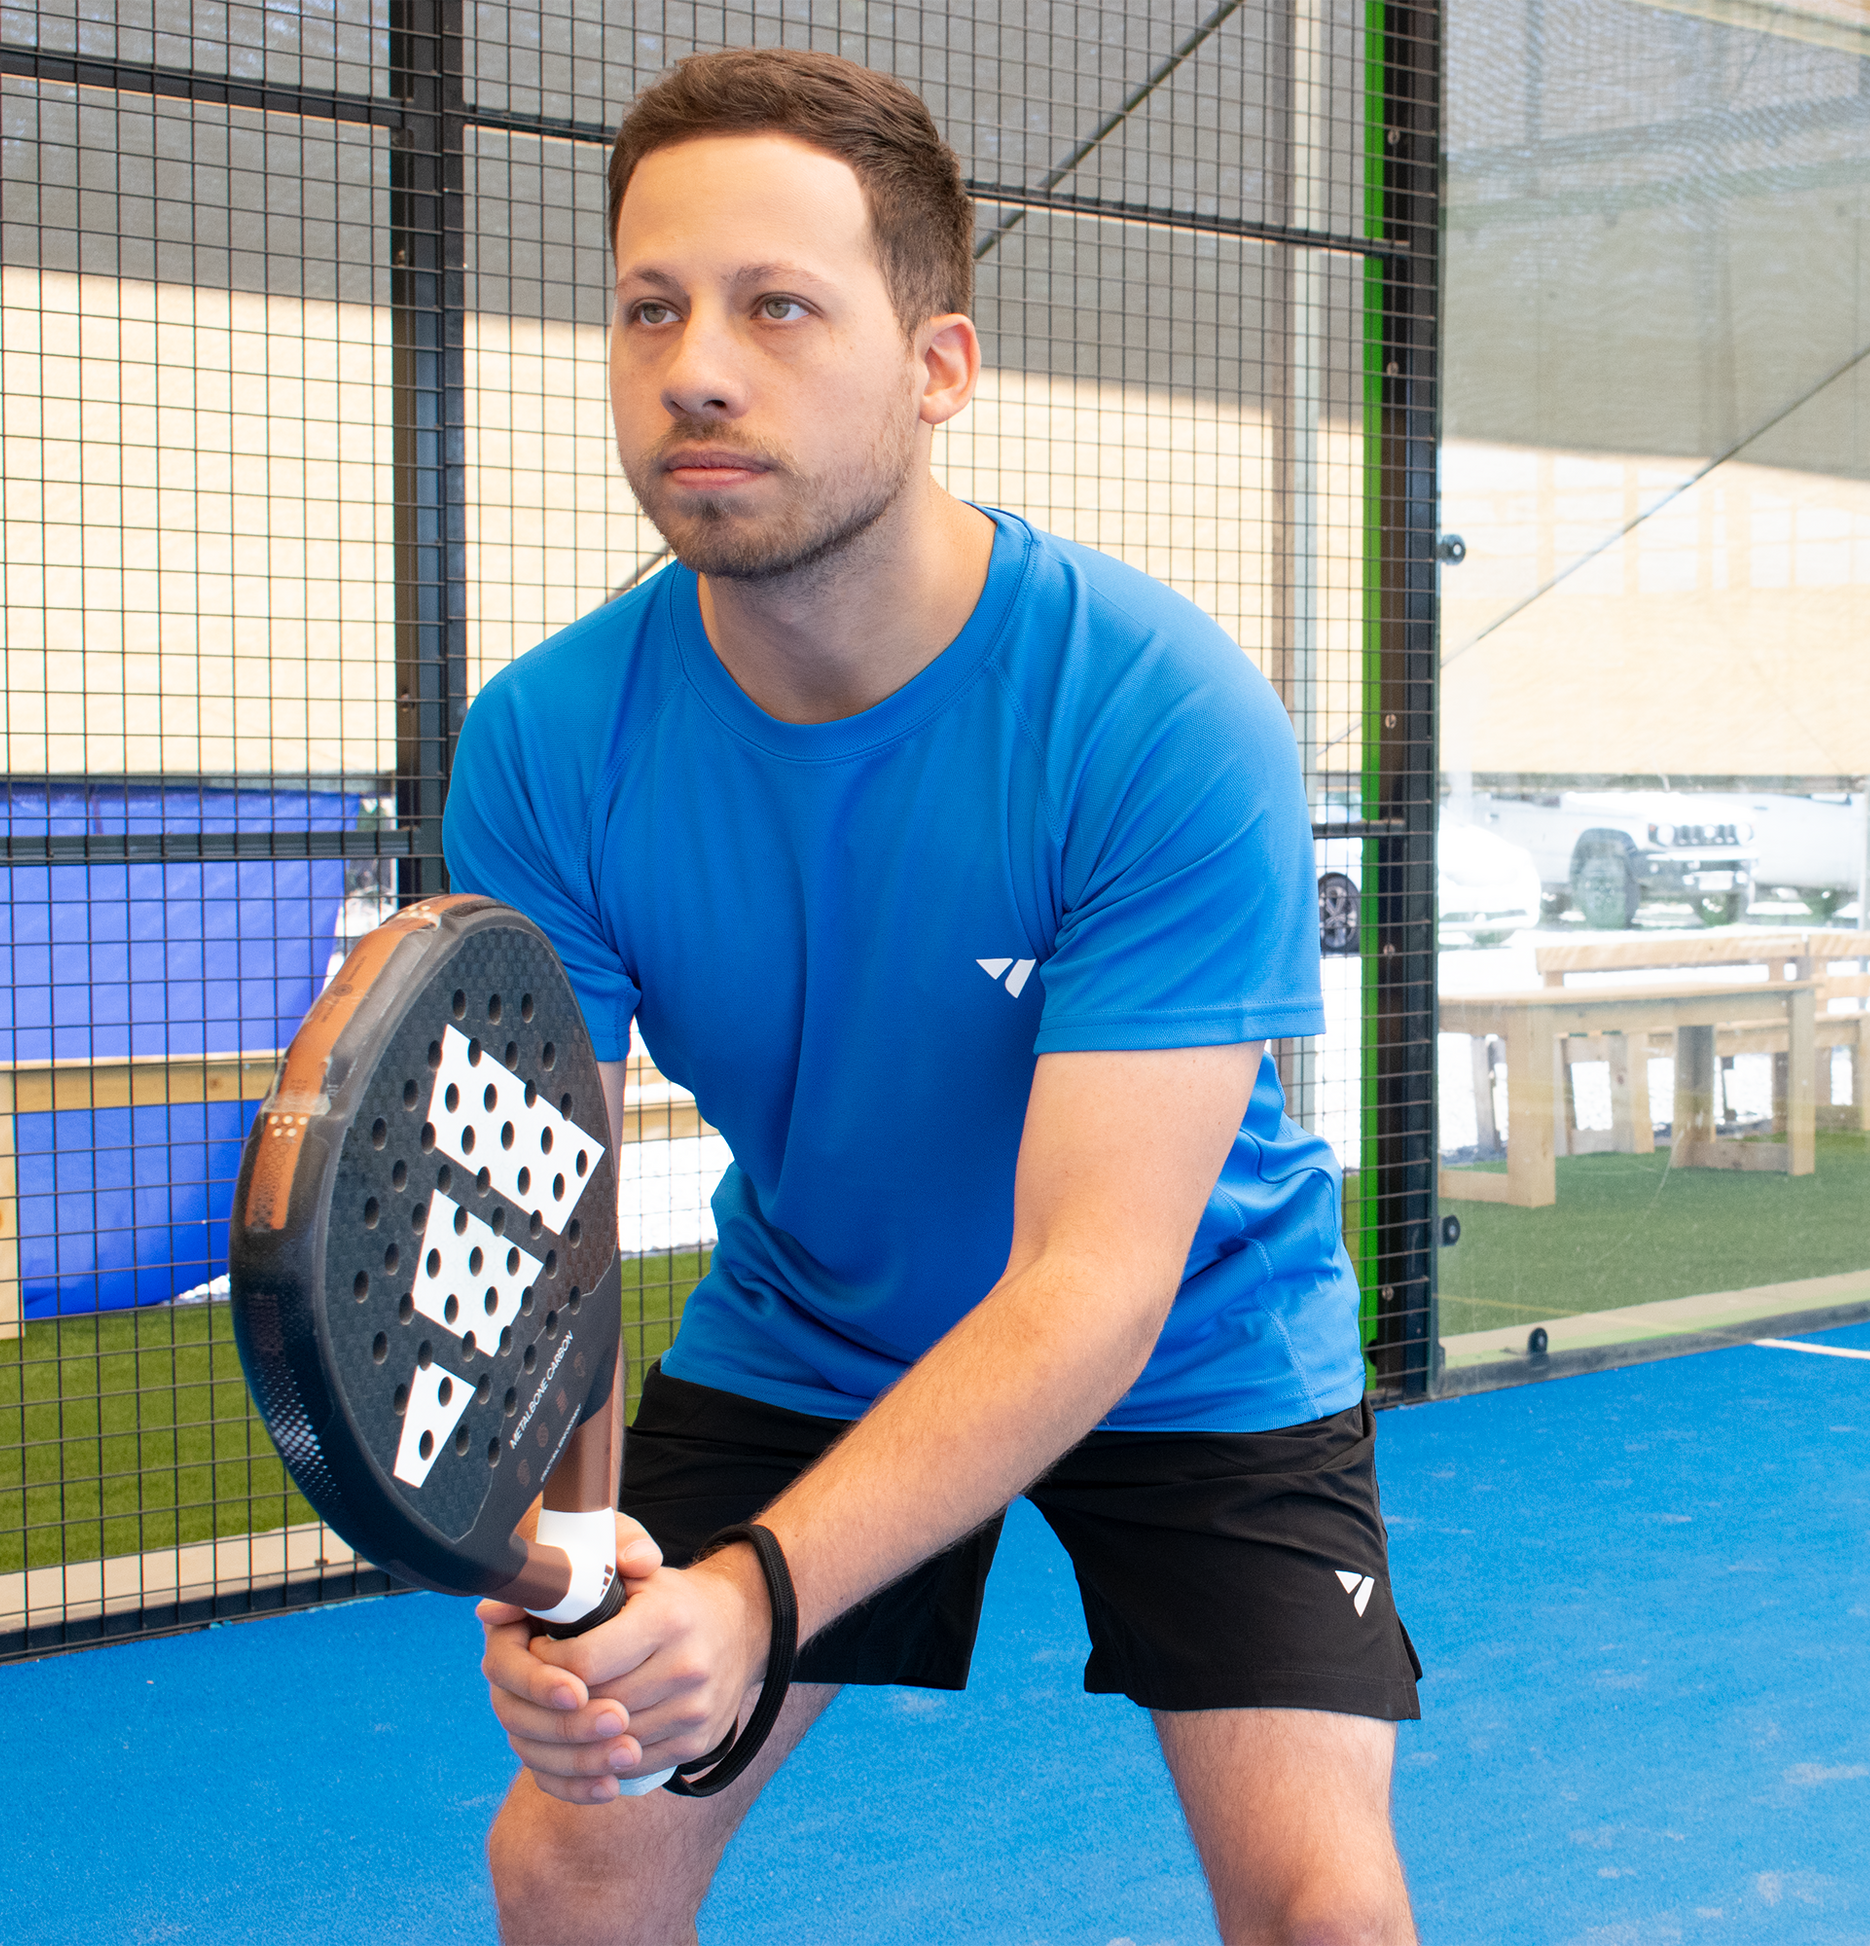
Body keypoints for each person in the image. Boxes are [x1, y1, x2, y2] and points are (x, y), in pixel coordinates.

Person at [443, 46, 1421, 1946]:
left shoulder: (1158, 713)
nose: (695, 367)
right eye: (650, 307)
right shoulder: (549, 746)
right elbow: (535, 1212)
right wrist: (571, 1564)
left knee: (1322, 1906)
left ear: (937, 367)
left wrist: (746, 1598)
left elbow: (1089, 1283)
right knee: (569, 1857)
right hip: (814, 1328)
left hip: (1189, 1342)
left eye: (777, 306)